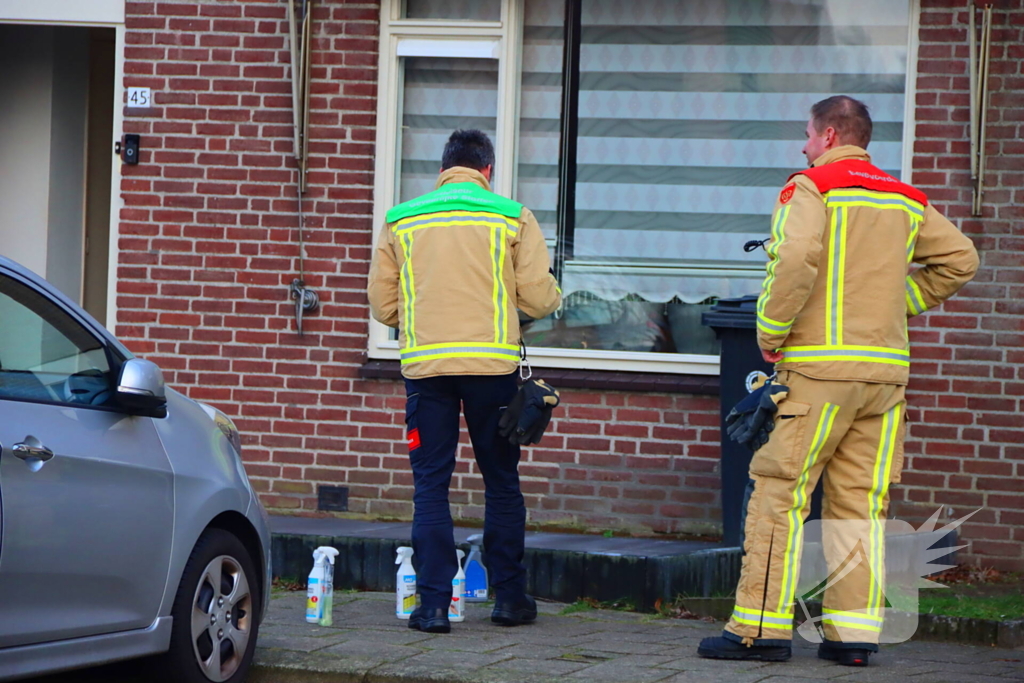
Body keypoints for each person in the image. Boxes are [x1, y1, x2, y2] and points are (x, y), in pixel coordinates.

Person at [698, 96, 979, 665]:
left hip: (818, 372)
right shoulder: (906, 199)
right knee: (860, 506)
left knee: (781, 495)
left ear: (829, 134)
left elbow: (795, 254)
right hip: (883, 380)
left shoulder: (813, 186)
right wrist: (895, 306)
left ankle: (758, 631)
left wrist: (770, 332)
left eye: (806, 134)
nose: (802, 146)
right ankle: (853, 638)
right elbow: (962, 259)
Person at [368, 129, 561, 634]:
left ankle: (432, 606)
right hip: (491, 370)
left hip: (426, 370)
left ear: (443, 169)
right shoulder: (511, 216)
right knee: (500, 482)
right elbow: (540, 299)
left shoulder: (400, 220)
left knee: (430, 486)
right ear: (487, 171)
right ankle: (510, 599)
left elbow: (383, 304)